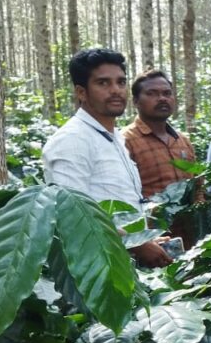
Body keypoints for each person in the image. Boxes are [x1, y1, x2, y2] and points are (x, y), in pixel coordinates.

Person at [43, 48, 172, 268]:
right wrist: (136, 243)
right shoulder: (71, 140)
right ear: (81, 92)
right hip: (97, 269)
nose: (115, 90)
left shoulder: (115, 138)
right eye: (103, 83)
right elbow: (73, 218)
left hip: (125, 263)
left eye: (120, 82)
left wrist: (144, 240)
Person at [123, 70, 198, 198]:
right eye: (152, 94)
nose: (162, 98)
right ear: (136, 101)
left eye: (167, 93)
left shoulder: (183, 141)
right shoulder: (125, 141)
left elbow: (198, 184)